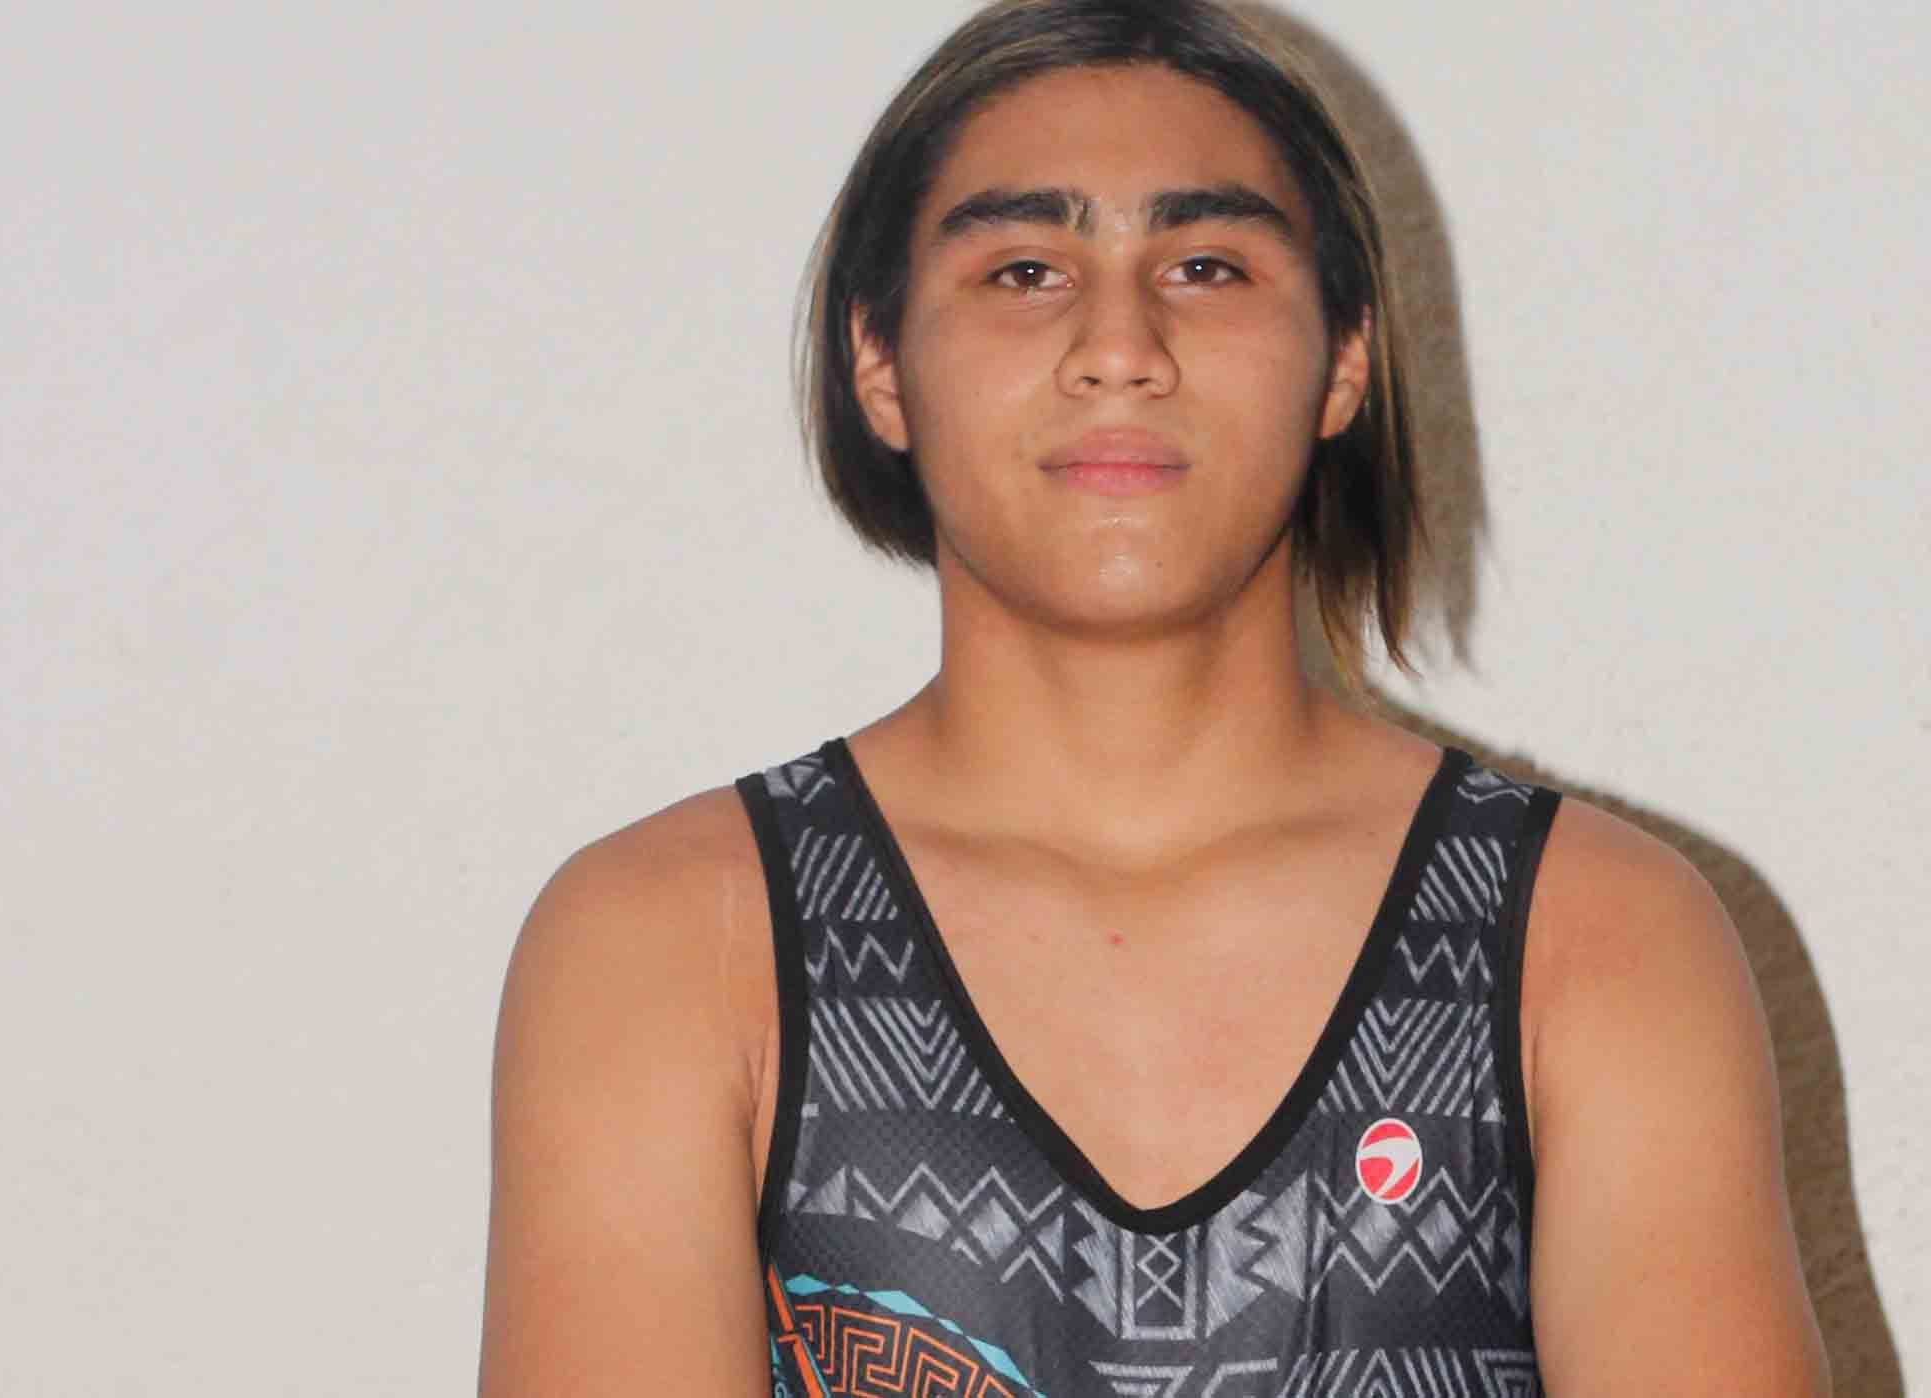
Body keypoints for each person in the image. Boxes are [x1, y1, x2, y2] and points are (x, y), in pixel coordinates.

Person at [479, 1, 1829, 1393]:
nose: (1120, 345)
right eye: (1023, 270)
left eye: (1205, 265)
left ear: (1344, 358)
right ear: (878, 363)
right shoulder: (668, 945)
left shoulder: (1593, 940)